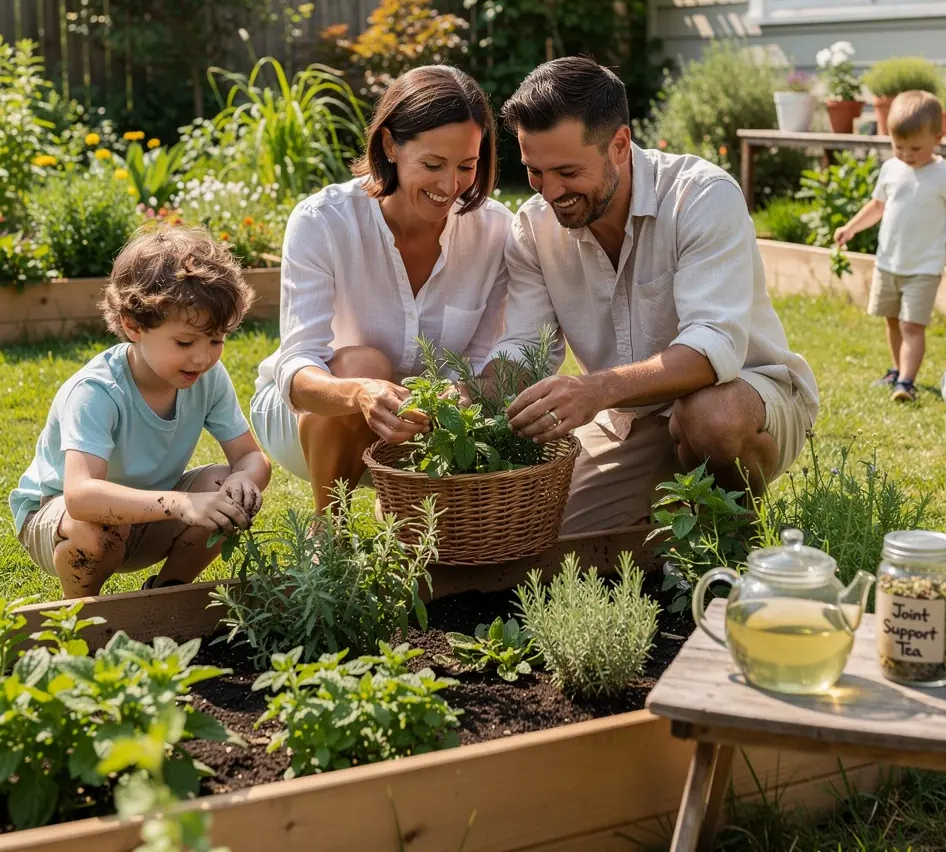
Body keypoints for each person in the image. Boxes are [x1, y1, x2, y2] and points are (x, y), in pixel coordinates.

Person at [483, 56, 819, 535]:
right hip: (630, 419)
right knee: (550, 537)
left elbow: (714, 348)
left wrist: (596, 389)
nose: (550, 191)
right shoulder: (534, 228)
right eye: (534, 171)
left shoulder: (701, 196)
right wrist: (456, 401)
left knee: (710, 419)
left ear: (619, 145)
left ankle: (731, 539)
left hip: (746, 397)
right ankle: (666, 516)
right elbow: (523, 349)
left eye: (567, 172)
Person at [251, 65, 512, 513]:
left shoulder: (495, 232)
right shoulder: (324, 221)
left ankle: (399, 498)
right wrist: (361, 394)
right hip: (309, 419)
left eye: (466, 166)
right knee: (364, 363)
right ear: (389, 144)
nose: (450, 186)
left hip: (427, 424)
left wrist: (457, 399)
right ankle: (326, 530)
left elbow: (482, 366)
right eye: (432, 165)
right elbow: (297, 370)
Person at [10, 227, 271, 598]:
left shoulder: (207, 377)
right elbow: (80, 497)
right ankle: (79, 615)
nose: (202, 356)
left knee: (221, 486)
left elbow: (249, 457)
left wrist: (244, 480)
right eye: (184, 342)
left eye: (217, 340)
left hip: (149, 514)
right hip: (57, 520)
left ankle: (167, 595)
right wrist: (183, 503)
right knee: (97, 525)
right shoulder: (97, 392)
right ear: (134, 326)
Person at [834, 90, 946, 403]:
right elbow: (877, 207)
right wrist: (850, 228)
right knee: (892, 320)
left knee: (911, 325)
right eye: (898, 146)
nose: (906, 154)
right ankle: (896, 369)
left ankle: (906, 381)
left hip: (924, 267)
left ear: (939, 138)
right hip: (889, 262)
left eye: (915, 147)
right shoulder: (892, 169)